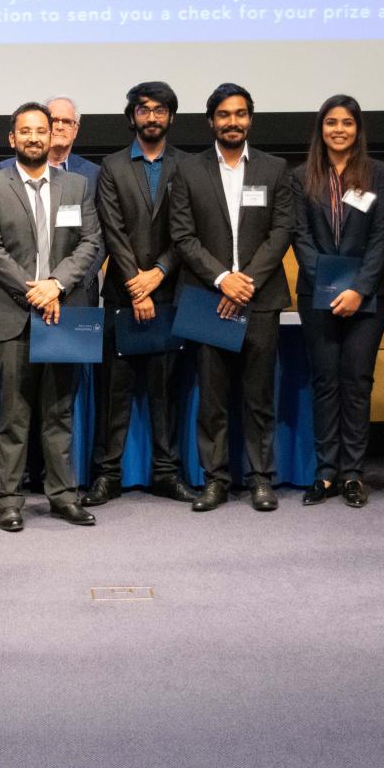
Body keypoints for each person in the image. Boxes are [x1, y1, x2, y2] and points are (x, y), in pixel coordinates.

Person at [0, 102, 103, 531]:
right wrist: (36, 291)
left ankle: (63, 496)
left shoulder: (77, 185)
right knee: (13, 415)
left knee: (59, 413)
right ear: (12, 138)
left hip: (63, 313)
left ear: (52, 137)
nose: (33, 138)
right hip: (12, 314)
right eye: (25, 131)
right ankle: (10, 500)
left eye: (41, 131)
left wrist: (57, 285)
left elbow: (90, 242)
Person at [169, 83, 294, 512]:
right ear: (211, 122)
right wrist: (224, 279)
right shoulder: (188, 170)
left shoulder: (275, 169)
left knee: (259, 396)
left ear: (250, 120)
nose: (232, 122)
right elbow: (182, 235)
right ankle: (216, 480)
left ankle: (261, 479)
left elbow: (282, 231)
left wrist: (247, 281)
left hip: (260, 298)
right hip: (209, 298)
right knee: (212, 398)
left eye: (240, 114)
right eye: (224, 114)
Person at [84, 81, 198, 507]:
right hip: (122, 295)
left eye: (160, 110)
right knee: (114, 391)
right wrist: (137, 283)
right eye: (144, 109)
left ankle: (167, 473)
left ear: (171, 116)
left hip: (170, 294)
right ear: (132, 117)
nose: (152, 117)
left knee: (166, 392)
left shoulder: (189, 166)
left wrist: (159, 273)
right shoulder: (111, 166)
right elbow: (111, 229)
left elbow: (188, 230)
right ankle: (107, 475)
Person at [290, 95, 384, 510]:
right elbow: (300, 236)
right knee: (325, 382)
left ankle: (352, 473)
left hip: (368, 296)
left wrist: (358, 289)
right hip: (318, 295)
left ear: (357, 129)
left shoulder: (380, 174)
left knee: (357, 381)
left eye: (347, 122)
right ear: (321, 128)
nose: (339, 129)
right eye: (331, 122)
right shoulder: (300, 177)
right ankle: (326, 472)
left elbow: (382, 236)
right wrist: (331, 288)